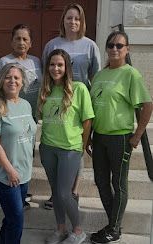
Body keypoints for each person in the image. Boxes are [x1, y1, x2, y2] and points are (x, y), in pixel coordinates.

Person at [87, 31, 153, 244]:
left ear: (127, 49)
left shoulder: (130, 74)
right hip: (99, 137)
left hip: (120, 138)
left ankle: (113, 228)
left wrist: (138, 135)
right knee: (100, 180)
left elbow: (147, 105)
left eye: (119, 45)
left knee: (119, 183)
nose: (115, 49)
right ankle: (113, 223)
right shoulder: (99, 74)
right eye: (111, 45)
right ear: (106, 48)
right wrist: (88, 136)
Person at [42, 2, 101, 210]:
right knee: (56, 148)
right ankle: (56, 193)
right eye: (69, 18)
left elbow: (96, 77)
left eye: (77, 18)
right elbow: (46, 73)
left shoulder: (90, 46)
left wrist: (93, 108)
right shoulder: (52, 44)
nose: (73, 22)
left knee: (77, 147)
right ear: (63, 20)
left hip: (80, 103)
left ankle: (73, 192)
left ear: (82, 21)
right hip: (58, 102)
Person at [38, 49, 94, 244]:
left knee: (64, 192)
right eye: (52, 64)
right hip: (47, 147)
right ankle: (61, 229)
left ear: (67, 67)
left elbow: (87, 120)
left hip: (70, 149)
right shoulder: (45, 90)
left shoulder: (79, 88)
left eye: (60, 64)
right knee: (56, 192)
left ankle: (78, 230)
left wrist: (82, 145)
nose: (55, 68)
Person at [0, 63, 37, 244]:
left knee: (11, 218)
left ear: (22, 83)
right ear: (0, 81)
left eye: (16, 78)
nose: (12, 81)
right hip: (6, 175)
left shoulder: (26, 105)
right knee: (17, 220)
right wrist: (10, 170)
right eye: (8, 77)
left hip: (24, 173)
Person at [0, 23, 42, 208]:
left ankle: (23, 189)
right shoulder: (4, 62)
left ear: (30, 43)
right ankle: (8, 189)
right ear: (11, 41)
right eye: (17, 38)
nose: (21, 42)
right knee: (10, 152)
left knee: (27, 153)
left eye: (25, 39)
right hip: (9, 116)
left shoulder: (36, 61)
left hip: (30, 114)